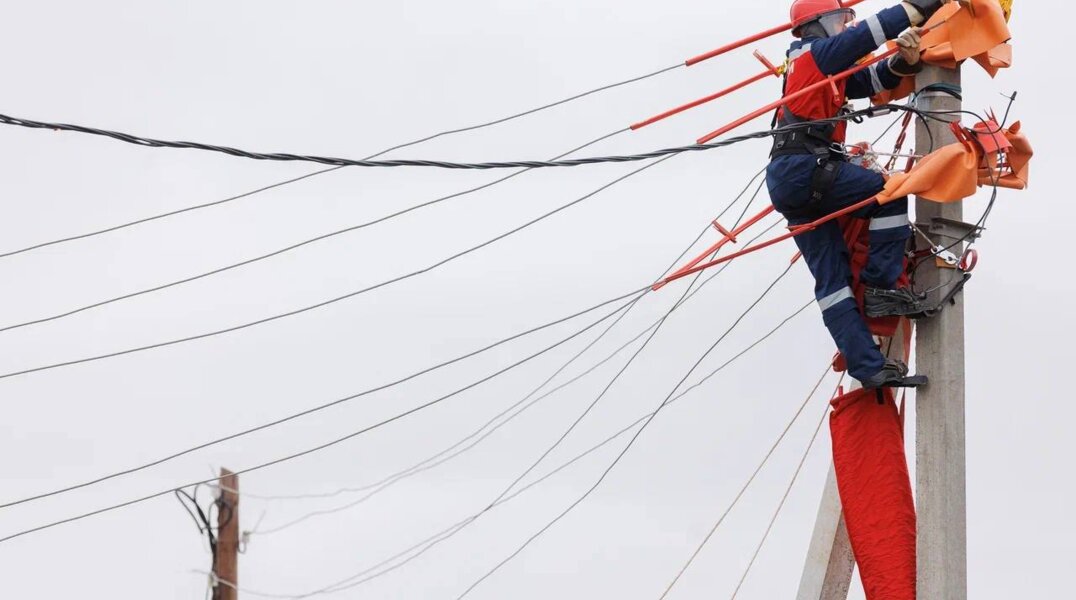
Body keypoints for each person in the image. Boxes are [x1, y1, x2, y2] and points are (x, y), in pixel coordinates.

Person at [766, 0, 951, 388]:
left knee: (832, 283)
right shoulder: (814, 54)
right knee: (887, 193)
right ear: (817, 25)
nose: (843, 27)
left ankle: (868, 367)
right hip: (806, 168)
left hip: (791, 179)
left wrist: (904, 60)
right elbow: (870, 31)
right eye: (838, 20)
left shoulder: (821, 68)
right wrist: (925, 4)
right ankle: (882, 286)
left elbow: (870, 81)